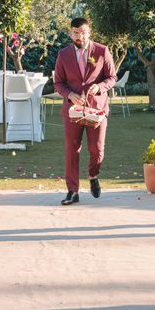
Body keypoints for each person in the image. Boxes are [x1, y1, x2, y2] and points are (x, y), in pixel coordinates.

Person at [53, 17, 117, 205]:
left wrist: (100, 87)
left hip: (97, 109)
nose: (79, 36)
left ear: (89, 32)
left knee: (97, 149)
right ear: (70, 33)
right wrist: (70, 95)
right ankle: (72, 191)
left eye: (82, 32)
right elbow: (58, 83)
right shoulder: (63, 54)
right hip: (73, 111)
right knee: (72, 150)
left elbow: (112, 77)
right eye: (75, 32)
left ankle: (93, 175)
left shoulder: (102, 51)